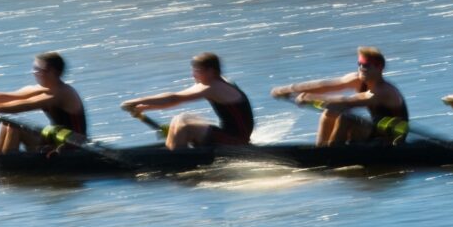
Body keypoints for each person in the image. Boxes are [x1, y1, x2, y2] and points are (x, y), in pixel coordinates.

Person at [0, 52, 87, 155]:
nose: (35, 73)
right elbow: (6, 97)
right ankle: (0, 159)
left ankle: (6, 166)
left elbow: (26, 105)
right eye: (34, 68)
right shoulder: (41, 89)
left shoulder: (63, 93)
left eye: (39, 70)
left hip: (73, 148)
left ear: (54, 72)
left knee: (15, 127)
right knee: (7, 123)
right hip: (55, 141)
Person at [270, 46, 408, 147]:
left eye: (366, 65)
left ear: (379, 68)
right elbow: (325, 85)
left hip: (390, 139)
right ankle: (321, 150)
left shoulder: (385, 91)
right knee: (330, 111)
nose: (361, 68)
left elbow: (347, 101)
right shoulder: (358, 79)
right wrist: (289, 89)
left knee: (345, 117)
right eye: (359, 64)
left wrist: (310, 98)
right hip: (374, 131)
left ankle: (333, 154)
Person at [121, 52, 253, 150]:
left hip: (237, 141)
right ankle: (173, 149)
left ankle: (173, 157)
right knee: (181, 118)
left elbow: (174, 97)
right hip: (227, 134)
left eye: (197, 71)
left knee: (186, 127)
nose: (193, 75)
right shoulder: (212, 82)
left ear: (211, 71)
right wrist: (144, 107)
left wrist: (136, 101)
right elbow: (176, 100)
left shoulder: (214, 87)